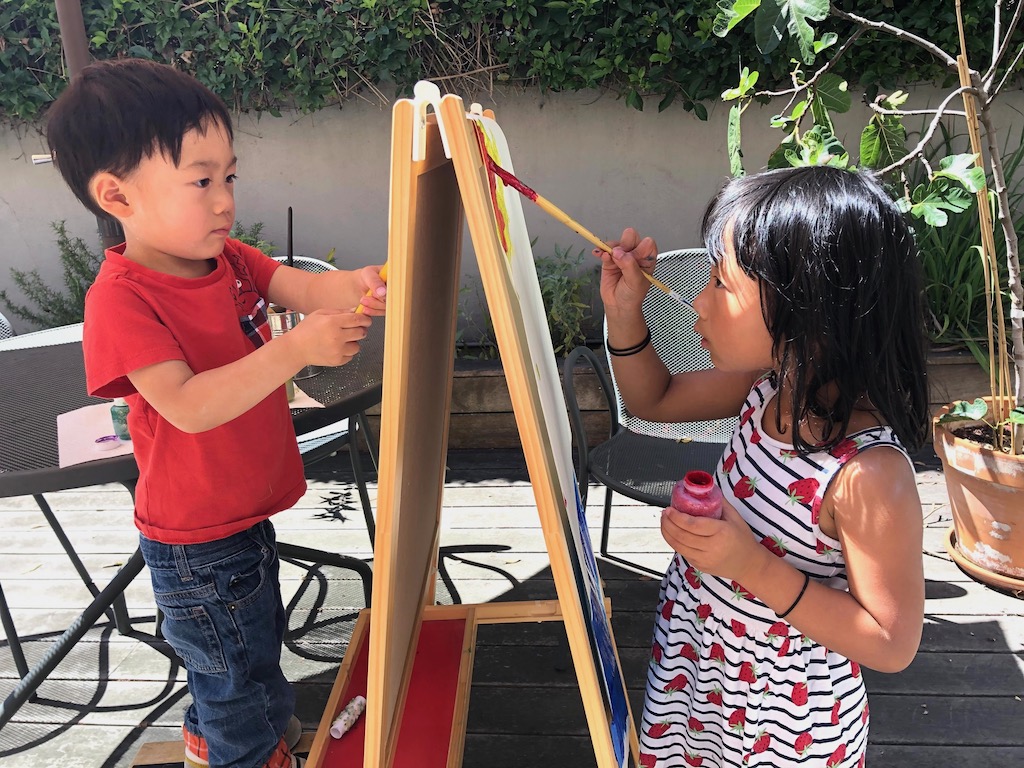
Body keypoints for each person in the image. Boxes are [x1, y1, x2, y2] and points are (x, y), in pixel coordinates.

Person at [45, 58, 387, 768]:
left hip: (240, 511)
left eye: (229, 176)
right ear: (118, 195)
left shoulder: (226, 258)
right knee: (232, 668)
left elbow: (298, 285)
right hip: (196, 540)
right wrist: (295, 351)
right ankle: (243, 750)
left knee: (249, 652)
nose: (226, 200)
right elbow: (187, 406)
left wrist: (362, 284)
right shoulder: (122, 298)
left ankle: (227, 736)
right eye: (201, 181)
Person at [597, 166, 928, 767]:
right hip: (699, 672)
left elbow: (890, 641)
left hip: (782, 723)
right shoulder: (768, 385)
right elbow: (653, 401)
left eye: (720, 282)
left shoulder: (867, 474)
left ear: (805, 309)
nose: (698, 298)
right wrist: (625, 314)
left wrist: (748, 563)